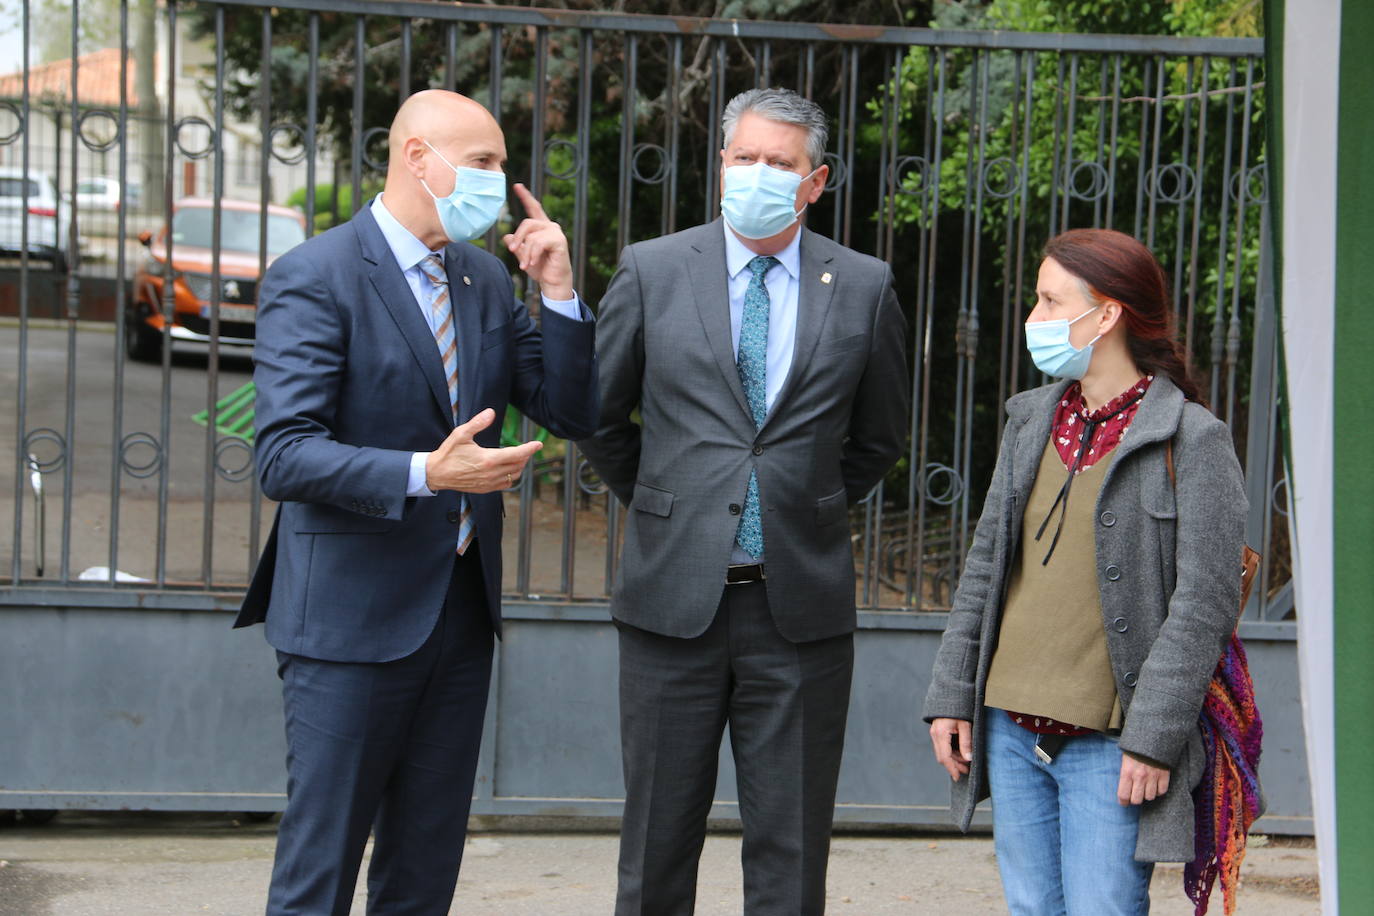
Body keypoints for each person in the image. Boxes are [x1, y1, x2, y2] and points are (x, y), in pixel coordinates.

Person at [233, 89, 599, 915]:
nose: (501, 183)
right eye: (483, 163)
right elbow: (285, 455)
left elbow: (570, 411)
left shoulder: (481, 278)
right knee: (320, 866)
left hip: (458, 621)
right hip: (348, 624)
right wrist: (424, 475)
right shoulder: (317, 275)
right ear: (416, 158)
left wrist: (560, 290)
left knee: (424, 868)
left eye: (502, 164)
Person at [578, 87, 909, 915]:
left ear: (816, 181)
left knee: (791, 858)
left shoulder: (864, 287)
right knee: (654, 848)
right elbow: (602, 418)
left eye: (782, 163)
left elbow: (879, 438)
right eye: (745, 157)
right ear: (721, 164)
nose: (759, 174)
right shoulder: (652, 269)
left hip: (798, 611)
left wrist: (803, 505)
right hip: (670, 605)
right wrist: (666, 502)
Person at [922, 228, 1248, 915]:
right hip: (1009, 728)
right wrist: (952, 692)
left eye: (1048, 302)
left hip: (1112, 746)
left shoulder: (1192, 440)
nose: (1033, 320)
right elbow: (985, 565)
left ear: (1106, 316)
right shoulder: (1030, 421)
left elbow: (1204, 606)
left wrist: (1154, 740)